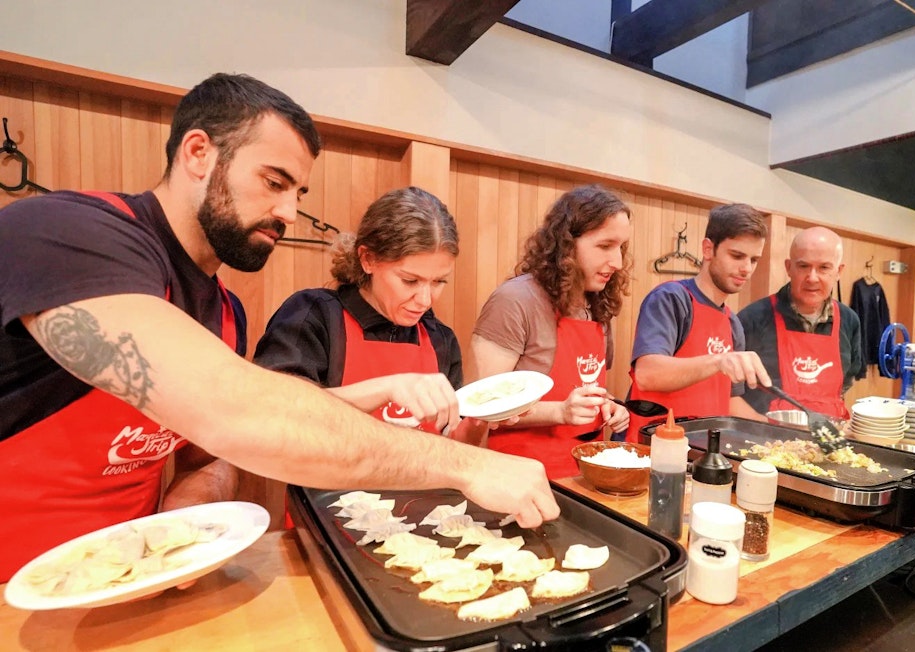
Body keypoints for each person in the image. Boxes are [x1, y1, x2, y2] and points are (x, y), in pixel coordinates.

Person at [0, 73, 557, 582]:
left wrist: (193, 515)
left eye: (299, 193)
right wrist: (465, 465)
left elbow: (208, 452)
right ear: (198, 153)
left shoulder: (225, 311)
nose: (290, 212)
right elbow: (235, 408)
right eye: (274, 182)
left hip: (126, 580)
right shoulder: (69, 232)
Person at [253, 186, 489, 444]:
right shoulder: (314, 315)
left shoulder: (440, 339)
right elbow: (274, 410)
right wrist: (387, 389)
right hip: (336, 484)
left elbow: (452, 445)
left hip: (424, 483)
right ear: (368, 259)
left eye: (439, 282)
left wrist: (484, 418)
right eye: (410, 280)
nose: (425, 300)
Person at [470, 184, 632, 479]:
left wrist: (608, 406)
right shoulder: (515, 300)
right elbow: (486, 406)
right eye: (605, 246)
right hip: (523, 476)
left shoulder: (597, 303)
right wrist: (559, 412)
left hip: (587, 473)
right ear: (567, 244)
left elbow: (586, 385)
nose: (618, 262)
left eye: (621, 247)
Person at [626, 204, 773, 439]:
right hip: (654, 449)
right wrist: (719, 360)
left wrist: (778, 430)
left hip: (703, 455)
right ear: (708, 249)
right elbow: (648, 374)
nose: (746, 268)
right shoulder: (672, 299)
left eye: (754, 260)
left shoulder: (733, 324)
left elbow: (731, 402)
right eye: (736, 256)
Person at [735, 226, 865, 420]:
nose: (812, 278)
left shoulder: (849, 320)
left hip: (828, 440)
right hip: (766, 440)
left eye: (824, 268)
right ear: (789, 267)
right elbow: (729, 391)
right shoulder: (752, 318)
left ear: (838, 271)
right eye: (803, 266)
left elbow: (847, 380)